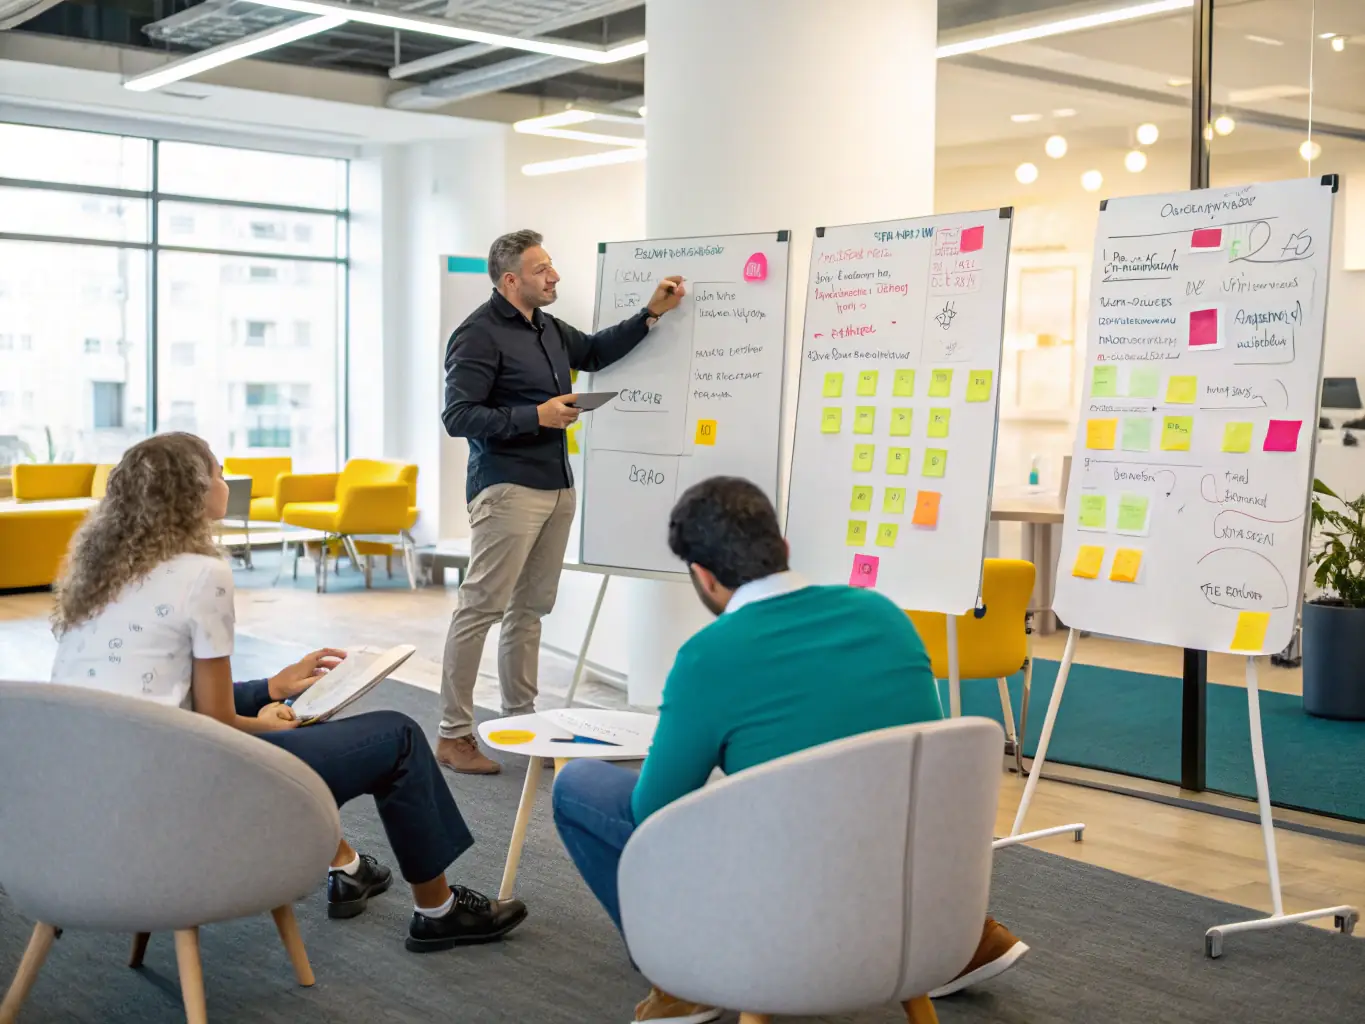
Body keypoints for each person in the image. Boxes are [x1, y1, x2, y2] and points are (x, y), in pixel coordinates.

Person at [552, 477, 1028, 1023]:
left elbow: (650, 818)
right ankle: (964, 940)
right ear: (783, 550)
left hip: (788, 911)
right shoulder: (884, 617)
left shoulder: (710, 657)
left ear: (703, 577)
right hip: (915, 894)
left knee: (579, 785)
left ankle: (688, 978)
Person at [50, 432, 526, 953]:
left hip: (95, 801)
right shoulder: (202, 574)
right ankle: (439, 911)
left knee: (290, 728)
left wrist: (272, 689)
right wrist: (272, 721)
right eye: (218, 471)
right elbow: (218, 723)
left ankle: (347, 867)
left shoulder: (100, 576)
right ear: (192, 490)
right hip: (186, 795)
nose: (225, 482)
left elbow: (167, 698)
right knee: (400, 736)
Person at [437, 228, 686, 774]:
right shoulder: (476, 335)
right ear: (511, 280)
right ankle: (453, 735)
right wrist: (536, 416)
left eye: (551, 267)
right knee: (481, 608)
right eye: (542, 269)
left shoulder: (547, 328)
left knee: (529, 612)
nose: (554, 277)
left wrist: (651, 313)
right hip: (506, 488)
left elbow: (595, 350)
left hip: (556, 484)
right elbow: (458, 417)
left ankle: (522, 725)